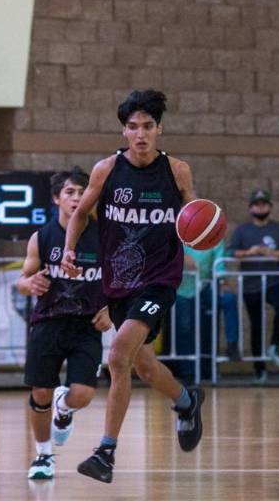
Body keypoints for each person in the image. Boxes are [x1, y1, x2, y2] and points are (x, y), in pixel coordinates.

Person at [62, 89, 205, 483]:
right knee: (143, 364)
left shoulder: (177, 172)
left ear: (159, 129)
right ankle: (187, 400)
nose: (140, 134)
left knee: (119, 356)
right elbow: (79, 214)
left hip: (159, 280)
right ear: (124, 131)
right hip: (119, 283)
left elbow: (195, 217)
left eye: (147, 126)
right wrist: (69, 251)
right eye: (132, 127)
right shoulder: (106, 170)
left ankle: (106, 451)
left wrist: (202, 231)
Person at [17, 167, 112, 481]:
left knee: (83, 394)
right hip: (48, 322)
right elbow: (22, 280)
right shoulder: (42, 237)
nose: (76, 198)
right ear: (57, 198)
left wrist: (111, 308)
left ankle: (65, 406)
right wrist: (29, 284)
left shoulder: (104, 235)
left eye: (82, 192)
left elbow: (123, 281)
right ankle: (44, 455)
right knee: (40, 390)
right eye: (69, 192)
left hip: (86, 324)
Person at [229, 189, 279, 384]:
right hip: (251, 284)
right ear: (250, 208)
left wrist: (271, 253)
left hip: (274, 281)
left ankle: (274, 346)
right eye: (257, 204)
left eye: (264, 204)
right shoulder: (242, 230)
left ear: (270, 207)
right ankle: (259, 369)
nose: (260, 207)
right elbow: (231, 252)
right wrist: (249, 252)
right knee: (256, 325)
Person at [174, 240, 240, 384]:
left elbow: (219, 263)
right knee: (185, 327)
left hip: (205, 284)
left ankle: (232, 344)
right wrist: (180, 256)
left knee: (228, 298)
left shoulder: (214, 234)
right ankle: (188, 372)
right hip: (183, 287)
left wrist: (222, 281)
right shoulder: (177, 231)